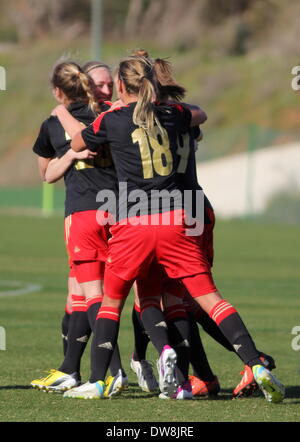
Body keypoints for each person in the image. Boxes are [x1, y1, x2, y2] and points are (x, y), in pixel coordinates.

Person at [64, 55, 285, 403]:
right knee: (206, 299)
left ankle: (98, 381)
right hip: (181, 218)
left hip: (133, 223)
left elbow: (77, 143)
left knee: (116, 301)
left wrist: (105, 116)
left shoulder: (114, 119)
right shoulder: (174, 115)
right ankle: (254, 363)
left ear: (121, 87)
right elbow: (200, 114)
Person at [31, 61, 127, 396]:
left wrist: (70, 143)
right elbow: (48, 172)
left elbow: (46, 173)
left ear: (58, 91)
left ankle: (113, 371)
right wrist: (72, 155)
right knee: (77, 297)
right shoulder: (112, 117)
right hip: (120, 212)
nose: (106, 90)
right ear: (86, 85)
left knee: (93, 297)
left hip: (87, 214)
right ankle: (70, 369)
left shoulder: (98, 117)